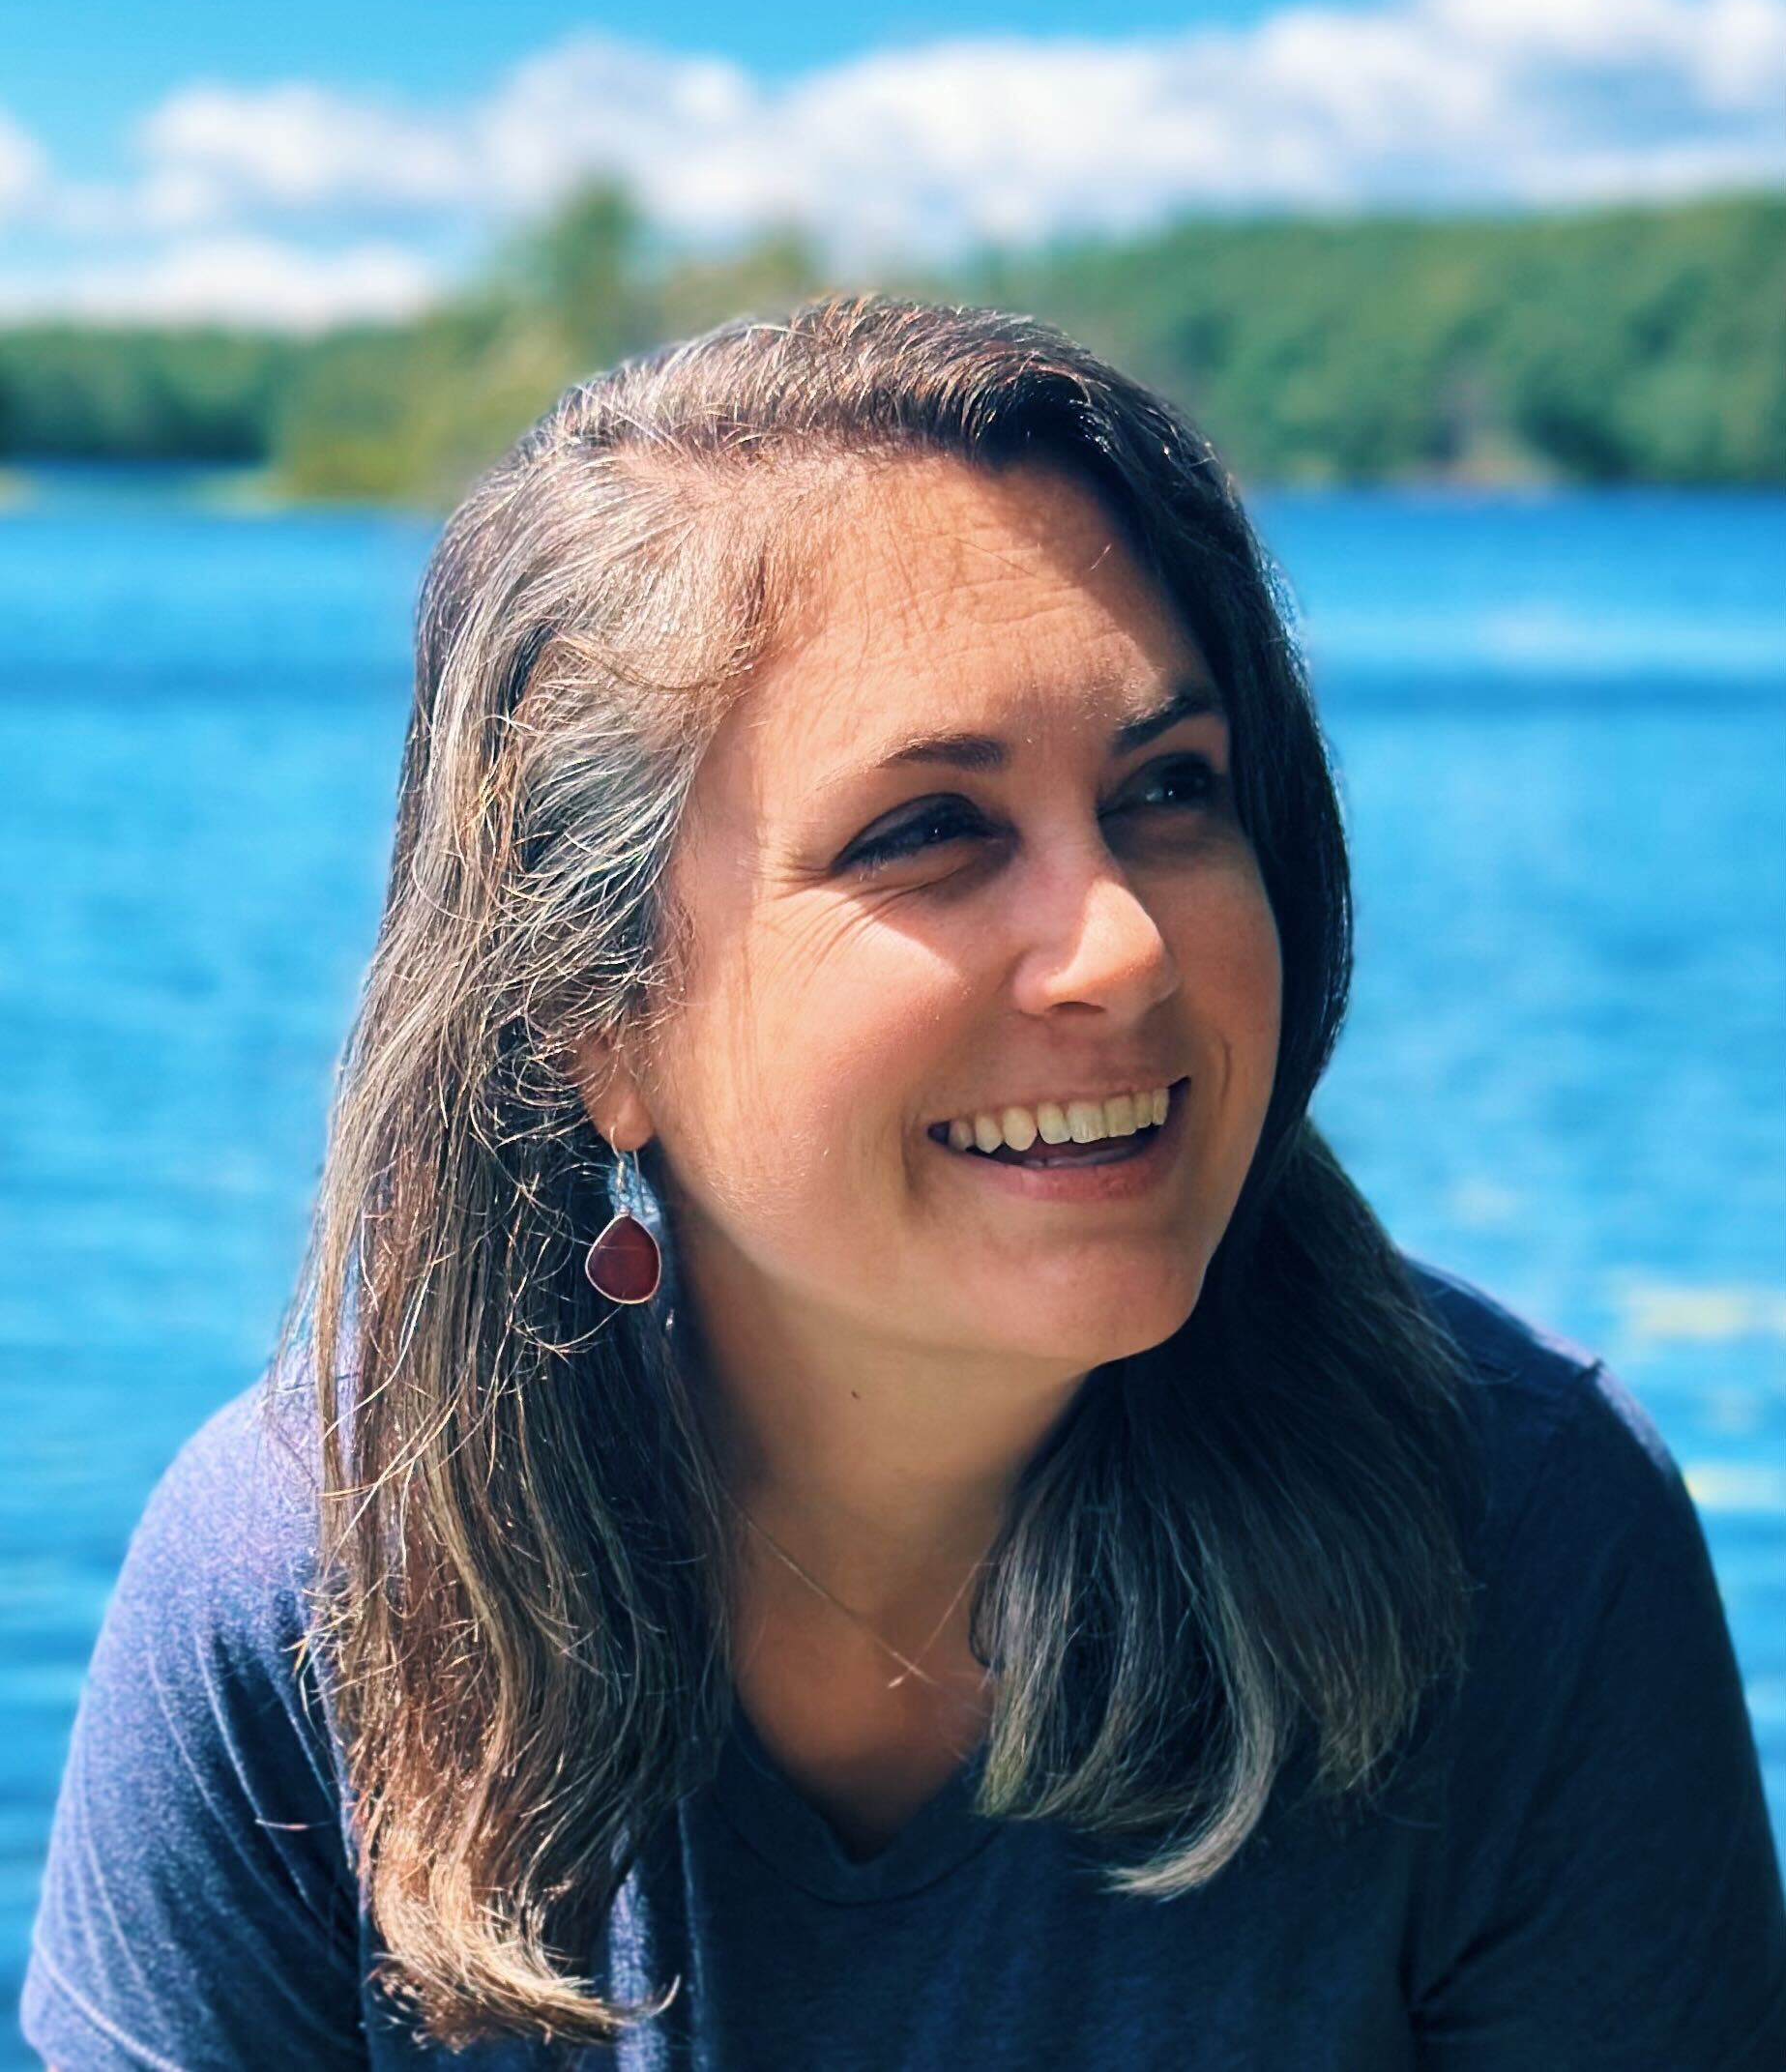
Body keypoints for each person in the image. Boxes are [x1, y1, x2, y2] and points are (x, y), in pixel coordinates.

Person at [21, 296, 1786, 2071]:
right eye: (930, 829)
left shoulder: (1521, 1534)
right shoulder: (304, 1597)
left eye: (1171, 788)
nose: (1122, 945)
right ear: (590, 1019)